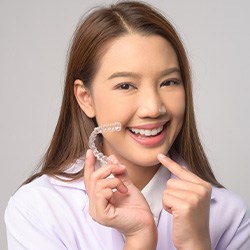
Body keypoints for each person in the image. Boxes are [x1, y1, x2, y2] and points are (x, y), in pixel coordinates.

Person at [5, 1, 250, 249]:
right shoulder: (37, 209)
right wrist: (139, 238)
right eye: (126, 85)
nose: (153, 108)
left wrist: (197, 244)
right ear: (85, 98)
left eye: (169, 82)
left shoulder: (232, 216)